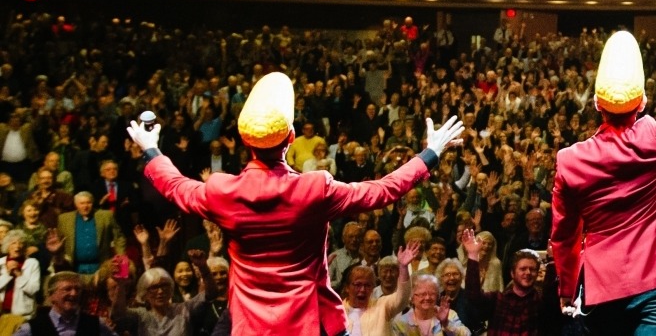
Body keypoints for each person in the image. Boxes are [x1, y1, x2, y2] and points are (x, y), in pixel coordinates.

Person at [126, 72, 465, 336]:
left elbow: (175, 186)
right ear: (290, 139)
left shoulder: (220, 190)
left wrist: (151, 148)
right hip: (310, 322)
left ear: (245, 142)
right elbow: (381, 191)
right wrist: (430, 153)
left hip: (249, 327)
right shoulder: (315, 188)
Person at [549, 0, 656, 335]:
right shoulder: (655, 139)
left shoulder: (570, 161)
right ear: (641, 101)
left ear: (597, 104)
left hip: (603, 288)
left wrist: (567, 289)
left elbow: (564, 236)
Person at [342, 242, 418, 336]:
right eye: (358, 285)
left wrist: (403, 267)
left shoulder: (382, 306)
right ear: (347, 288)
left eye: (367, 285)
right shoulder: (337, 312)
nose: (362, 290)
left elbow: (402, 297)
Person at [15, 271, 119, 336]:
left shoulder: (96, 324)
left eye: (77, 289)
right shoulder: (32, 328)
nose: (74, 294)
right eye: (67, 289)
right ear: (52, 296)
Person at [391, 274, 470, 336]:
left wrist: (446, 323)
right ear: (412, 297)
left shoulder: (450, 315)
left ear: (438, 296)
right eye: (422, 294)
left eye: (432, 294)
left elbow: (467, 334)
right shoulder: (400, 323)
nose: (428, 298)